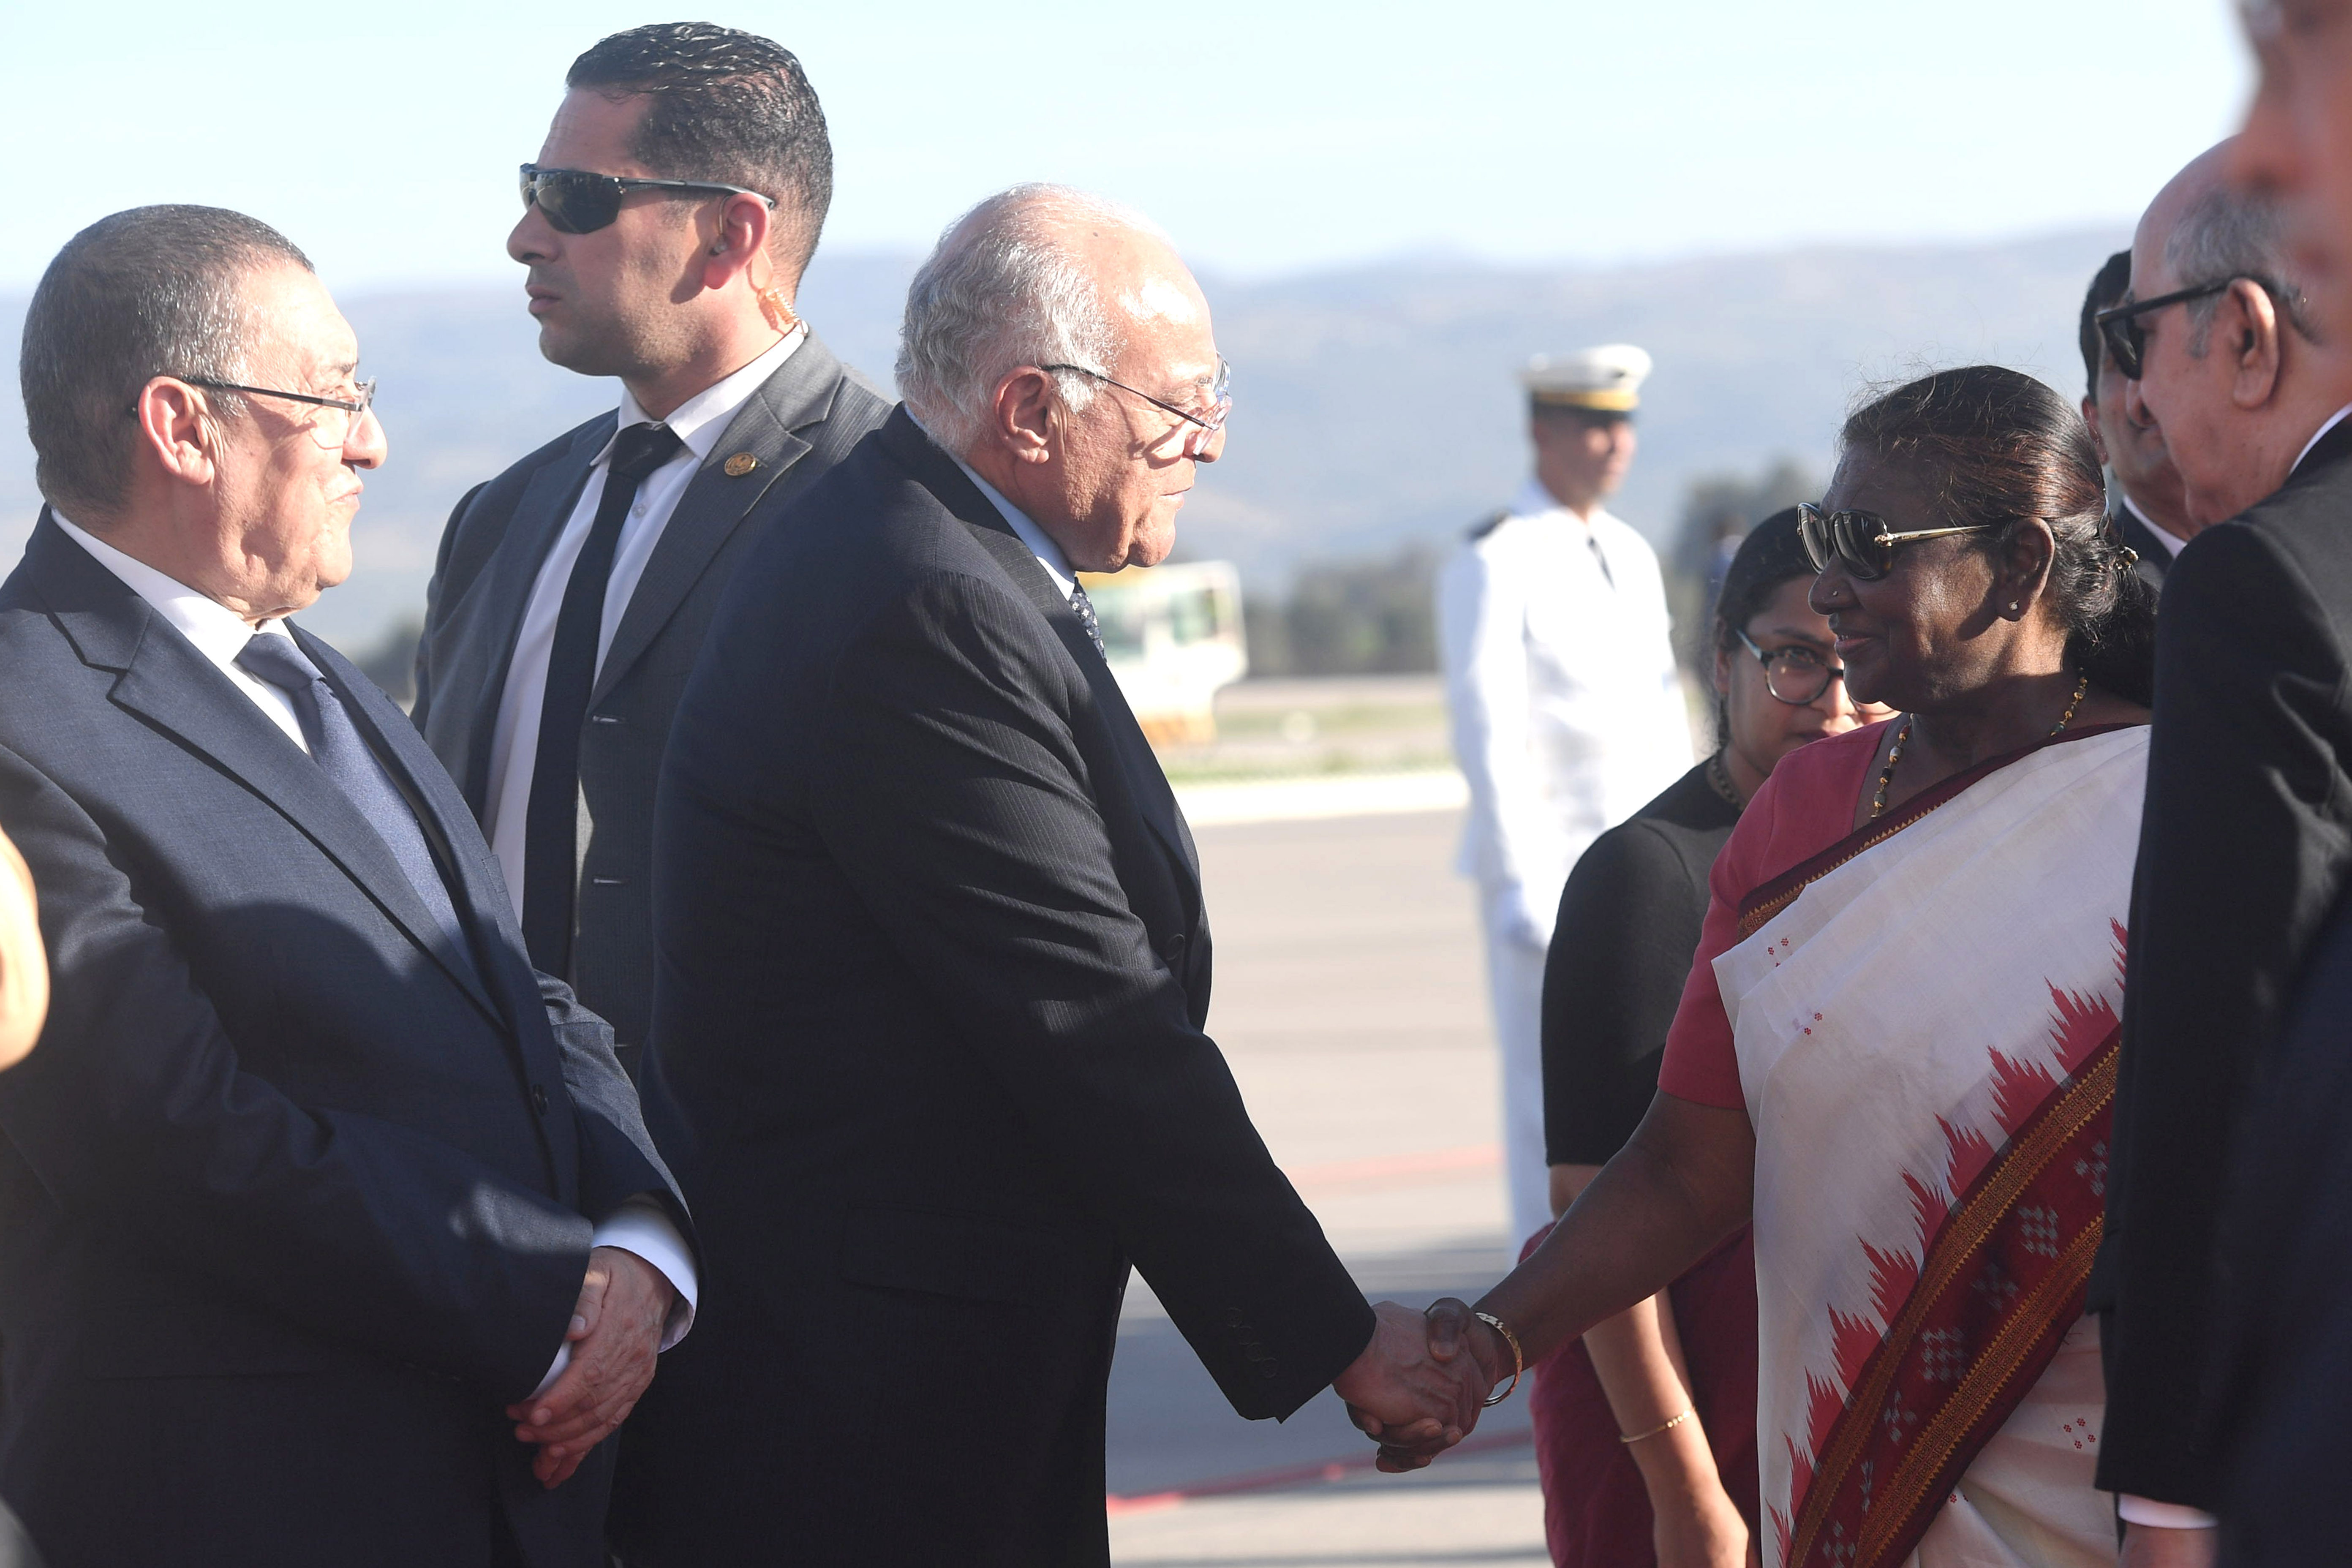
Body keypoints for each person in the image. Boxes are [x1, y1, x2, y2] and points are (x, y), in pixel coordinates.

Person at [610, 185, 1487, 1567]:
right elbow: (1091, 1019)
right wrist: (1332, 1333)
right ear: (1028, 411)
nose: (1206, 443)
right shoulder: (925, 599)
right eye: (1179, 405)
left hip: (905, 1371)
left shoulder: (926, 546)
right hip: (871, 1414)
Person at [0, 204, 697, 1568]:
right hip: (257, 1500)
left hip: (504, 1481)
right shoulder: (25, 716)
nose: (369, 441)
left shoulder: (320, 678)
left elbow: (514, 987)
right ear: (182, 427)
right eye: (331, 399)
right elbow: (176, 1136)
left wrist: (635, 1238)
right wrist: (551, 1291)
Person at [1375, 366, 2156, 1568]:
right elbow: (1684, 1166)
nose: (1830, 586)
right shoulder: (1801, 812)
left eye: (1867, 546)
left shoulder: (2171, 802)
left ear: (2017, 566)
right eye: (1823, 539)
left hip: (2110, 1466)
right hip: (1849, 1469)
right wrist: (1490, 1341)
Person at [412, 22, 889, 1078]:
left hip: (746, 1161)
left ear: (730, 235)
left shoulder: (889, 507)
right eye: (532, 188)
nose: (525, 236)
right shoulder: (502, 517)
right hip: (484, 1139)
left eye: (574, 198)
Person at [2083, 143, 2352, 1563]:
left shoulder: (2263, 585)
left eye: (2139, 341)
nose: (2132, 399)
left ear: (2244, 336)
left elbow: (2221, 1046)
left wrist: (2173, 1490)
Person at [1531, 508, 1881, 1568]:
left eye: (1859, 661)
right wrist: (1684, 1491)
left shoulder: (1903, 840)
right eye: (1794, 661)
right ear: (1720, 663)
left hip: (1842, 1376)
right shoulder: (1647, 874)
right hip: (1682, 1400)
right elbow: (1595, 1207)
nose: (1835, 704)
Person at [1439, 346, 1693, 1246]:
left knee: (1654, 1088)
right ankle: (1539, 1294)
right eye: (1593, 424)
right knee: (1546, 1106)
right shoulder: (1496, 558)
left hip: (1647, 868)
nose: (1615, 443)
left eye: (1624, 424)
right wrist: (1520, 884)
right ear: (1541, 430)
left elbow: (1663, 718)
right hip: (1553, 875)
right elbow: (1488, 729)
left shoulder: (1628, 551)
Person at [2077, 250, 2192, 583]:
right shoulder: (2087, 600)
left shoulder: (2310, 562)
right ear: (2094, 427)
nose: (2149, 389)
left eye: (2173, 351)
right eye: (2123, 358)